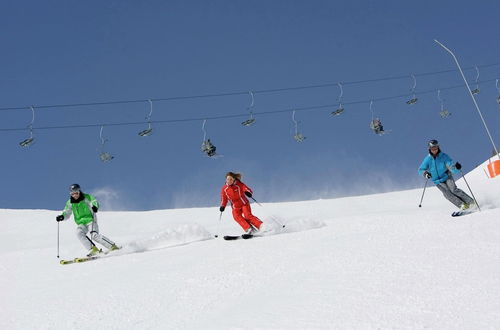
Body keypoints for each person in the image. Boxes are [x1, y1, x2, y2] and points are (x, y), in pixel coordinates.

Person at [56, 184, 119, 256]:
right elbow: (67, 212)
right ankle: (93, 249)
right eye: (72, 193)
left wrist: (95, 207)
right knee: (79, 233)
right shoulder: (70, 202)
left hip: (90, 220)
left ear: (79, 191)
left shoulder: (86, 197)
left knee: (94, 235)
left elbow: (93, 202)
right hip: (81, 223)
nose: (75, 195)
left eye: (76, 193)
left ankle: (112, 246)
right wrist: (62, 216)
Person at [418, 140, 475, 210]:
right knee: (447, 194)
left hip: (447, 176)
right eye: (432, 148)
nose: (434, 150)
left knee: (454, 190)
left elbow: (451, 166)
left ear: (438, 147)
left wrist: (457, 168)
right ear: (429, 149)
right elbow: (421, 170)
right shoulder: (427, 159)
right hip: (437, 181)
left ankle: (471, 202)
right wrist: (425, 174)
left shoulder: (444, 156)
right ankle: (463, 205)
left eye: (436, 148)